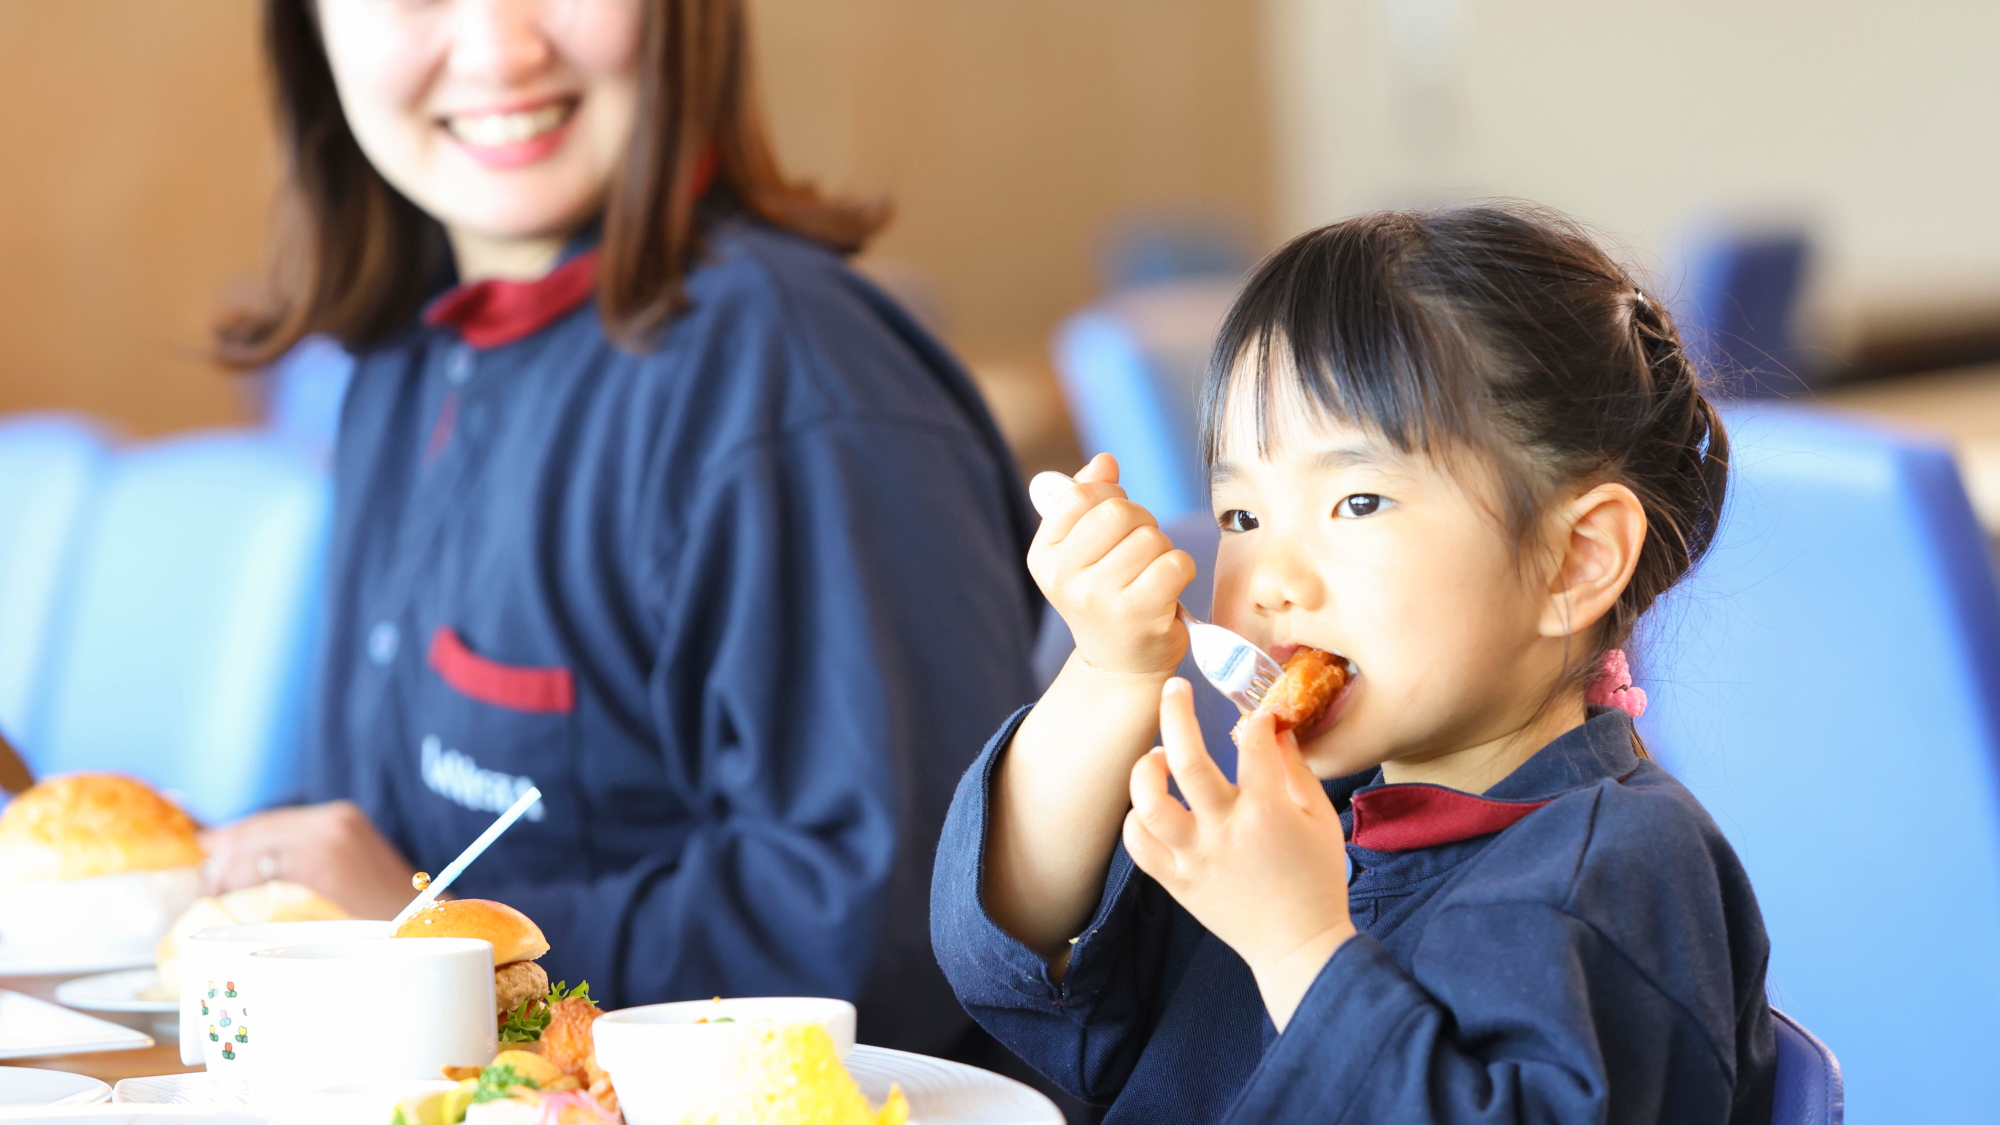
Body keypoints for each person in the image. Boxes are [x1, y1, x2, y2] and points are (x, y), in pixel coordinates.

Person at [199, 0, 1039, 1056]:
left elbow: (891, 939)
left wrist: (427, 934)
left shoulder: (792, 388)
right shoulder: (400, 363)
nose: (501, 47)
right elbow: (371, 823)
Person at [932, 205, 1777, 1122]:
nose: (1271, 580)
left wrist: (1299, 944)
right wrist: (1109, 673)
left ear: (1574, 560)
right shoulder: (1316, 819)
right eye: (1241, 518)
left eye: (1359, 499)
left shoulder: (1620, 869)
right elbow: (1019, 949)